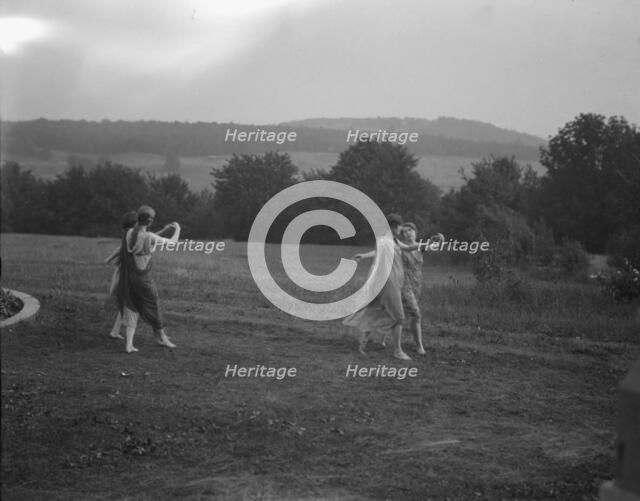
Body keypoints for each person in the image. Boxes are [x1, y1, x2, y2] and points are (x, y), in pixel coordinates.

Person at [343, 214, 422, 361]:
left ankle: (363, 344)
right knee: (398, 317)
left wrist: (428, 244)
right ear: (394, 226)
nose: (402, 230)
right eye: (400, 227)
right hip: (388, 284)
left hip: (393, 284)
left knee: (376, 312)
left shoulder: (394, 241)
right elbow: (378, 258)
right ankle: (398, 351)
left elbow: (410, 247)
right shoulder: (385, 242)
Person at [113, 205, 181, 353]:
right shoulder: (148, 236)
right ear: (150, 221)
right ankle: (161, 336)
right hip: (143, 278)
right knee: (153, 304)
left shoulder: (130, 232)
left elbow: (143, 236)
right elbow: (172, 243)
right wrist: (177, 228)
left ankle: (132, 343)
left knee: (133, 306)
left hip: (130, 276)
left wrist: (163, 231)